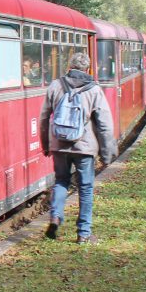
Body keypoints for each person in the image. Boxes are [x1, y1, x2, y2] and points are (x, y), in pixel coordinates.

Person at [39, 52, 118, 244]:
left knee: (61, 181)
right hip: (84, 147)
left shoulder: (56, 86)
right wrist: (107, 154)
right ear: (88, 69)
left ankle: (56, 216)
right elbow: (105, 124)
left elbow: (43, 118)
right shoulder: (94, 90)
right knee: (85, 188)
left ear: (69, 66)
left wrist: (46, 145)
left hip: (59, 144)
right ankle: (84, 233)